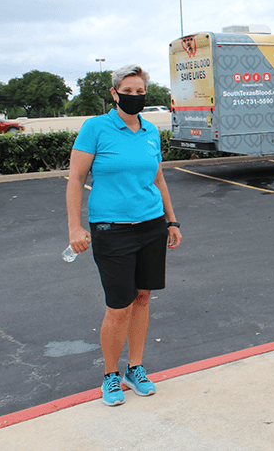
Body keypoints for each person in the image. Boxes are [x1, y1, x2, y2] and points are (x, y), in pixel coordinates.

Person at [66, 65, 182, 406]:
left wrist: (172, 222)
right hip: (111, 229)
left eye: (139, 91)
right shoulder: (96, 128)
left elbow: (158, 180)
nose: (134, 97)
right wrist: (75, 226)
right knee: (119, 305)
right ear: (115, 93)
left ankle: (136, 368)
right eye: (127, 91)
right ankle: (110, 375)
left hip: (151, 225)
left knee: (143, 298)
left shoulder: (149, 132)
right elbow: (75, 180)